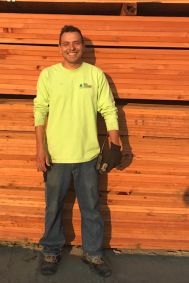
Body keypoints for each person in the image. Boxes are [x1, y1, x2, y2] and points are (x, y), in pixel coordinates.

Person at [33, 25, 122, 277]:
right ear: (59, 47)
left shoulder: (95, 75)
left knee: (91, 208)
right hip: (57, 156)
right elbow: (40, 111)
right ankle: (51, 250)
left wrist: (114, 139)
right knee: (53, 207)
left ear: (82, 46)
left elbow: (108, 108)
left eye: (76, 43)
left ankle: (93, 253)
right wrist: (41, 149)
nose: (71, 47)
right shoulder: (49, 76)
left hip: (88, 156)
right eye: (66, 43)